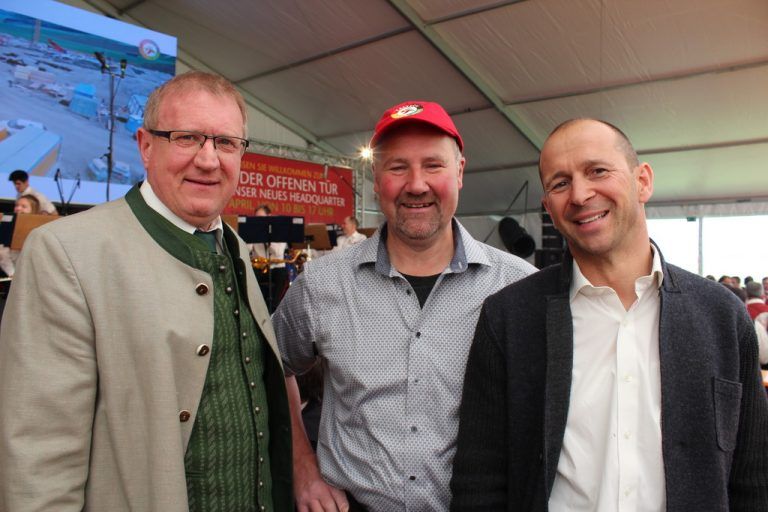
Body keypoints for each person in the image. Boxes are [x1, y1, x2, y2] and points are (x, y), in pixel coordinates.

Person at [0, 71, 292, 511]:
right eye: (187, 137)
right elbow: (38, 457)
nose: (209, 160)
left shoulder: (231, 243)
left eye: (226, 143)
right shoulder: (66, 252)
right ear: (145, 145)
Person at [450, 118, 768, 511]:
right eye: (560, 183)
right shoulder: (510, 317)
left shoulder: (721, 316)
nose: (581, 194)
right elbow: (479, 481)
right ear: (548, 208)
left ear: (643, 181)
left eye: (597, 171)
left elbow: (752, 479)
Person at [273, 100, 536, 512]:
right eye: (398, 167)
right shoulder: (323, 284)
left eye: (433, 165)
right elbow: (270, 364)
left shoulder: (516, 286)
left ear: (460, 172)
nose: (416, 184)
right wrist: (302, 467)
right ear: (375, 180)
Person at [250, 204, 290, 312]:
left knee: (282, 274)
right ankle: (254, 307)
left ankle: (274, 309)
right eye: (257, 218)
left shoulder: (280, 230)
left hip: (276, 267)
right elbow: (247, 251)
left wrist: (266, 238)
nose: (259, 221)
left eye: (262, 218)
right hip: (260, 267)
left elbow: (277, 252)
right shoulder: (253, 230)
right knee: (250, 274)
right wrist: (249, 237)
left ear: (270, 216)